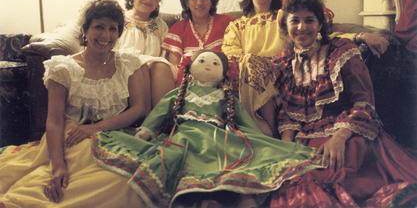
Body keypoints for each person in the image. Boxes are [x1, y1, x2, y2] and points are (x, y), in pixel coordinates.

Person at [91, 50, 322, 208]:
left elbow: (243, 120)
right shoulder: (179, 93)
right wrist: (146, 131)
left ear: (223, 72)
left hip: (218, 138)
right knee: (171, 157)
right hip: (184, 137)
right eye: (202, 62)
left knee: (231, 162)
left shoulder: (227, 97)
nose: (208, 66)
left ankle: (219, 197)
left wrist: (256, 139)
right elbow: (160, 111)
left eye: (214, 64)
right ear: (191, 67)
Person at [270, 0, 417, 207]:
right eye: (295, 20)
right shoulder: (284, 62)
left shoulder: (341, 52)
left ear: (320, 24)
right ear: (286, 25)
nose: (302, 27)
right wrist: (286, 149)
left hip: (349, 132)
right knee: (295, 182)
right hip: (306, 139)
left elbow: (365, 104)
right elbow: (287, 114)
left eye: (309, 20)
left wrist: (339, 138)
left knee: (333, 173)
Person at [0, 0, 150, 207]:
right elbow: (53, 121)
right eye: (99, 27)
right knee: (51, 185)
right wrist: (58, 165)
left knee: (128, 181)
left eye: (112, 29)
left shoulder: (128, 63)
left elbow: (139, 109)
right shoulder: (64, 68)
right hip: (70, 140)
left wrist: (95, 128)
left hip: (114, 138)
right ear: (85, 30)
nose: (106, 35)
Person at [222, 0, 390, 137]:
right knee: (248, 63)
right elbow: (231, 58)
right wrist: (258, 66)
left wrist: (360, 36)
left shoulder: (286, 17)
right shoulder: (236, 26)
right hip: (253, 85)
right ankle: (266, 134)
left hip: (287, 78)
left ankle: (269, 137)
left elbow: (321, 35)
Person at [162, 0, 234, 83]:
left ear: (212, 0)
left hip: (223, 86)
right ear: (186, 2)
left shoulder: (227, 23)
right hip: (188, 89)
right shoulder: (178, 29)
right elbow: (174, 69)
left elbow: (234, 59)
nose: (199, 2)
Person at [116, 0, 176, 106]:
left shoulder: (160, 25)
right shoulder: (118, 19)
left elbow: (165, 57)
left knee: (161, 67)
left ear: (158, 1)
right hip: (123, 74)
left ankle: (159, 121)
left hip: (153, 79)